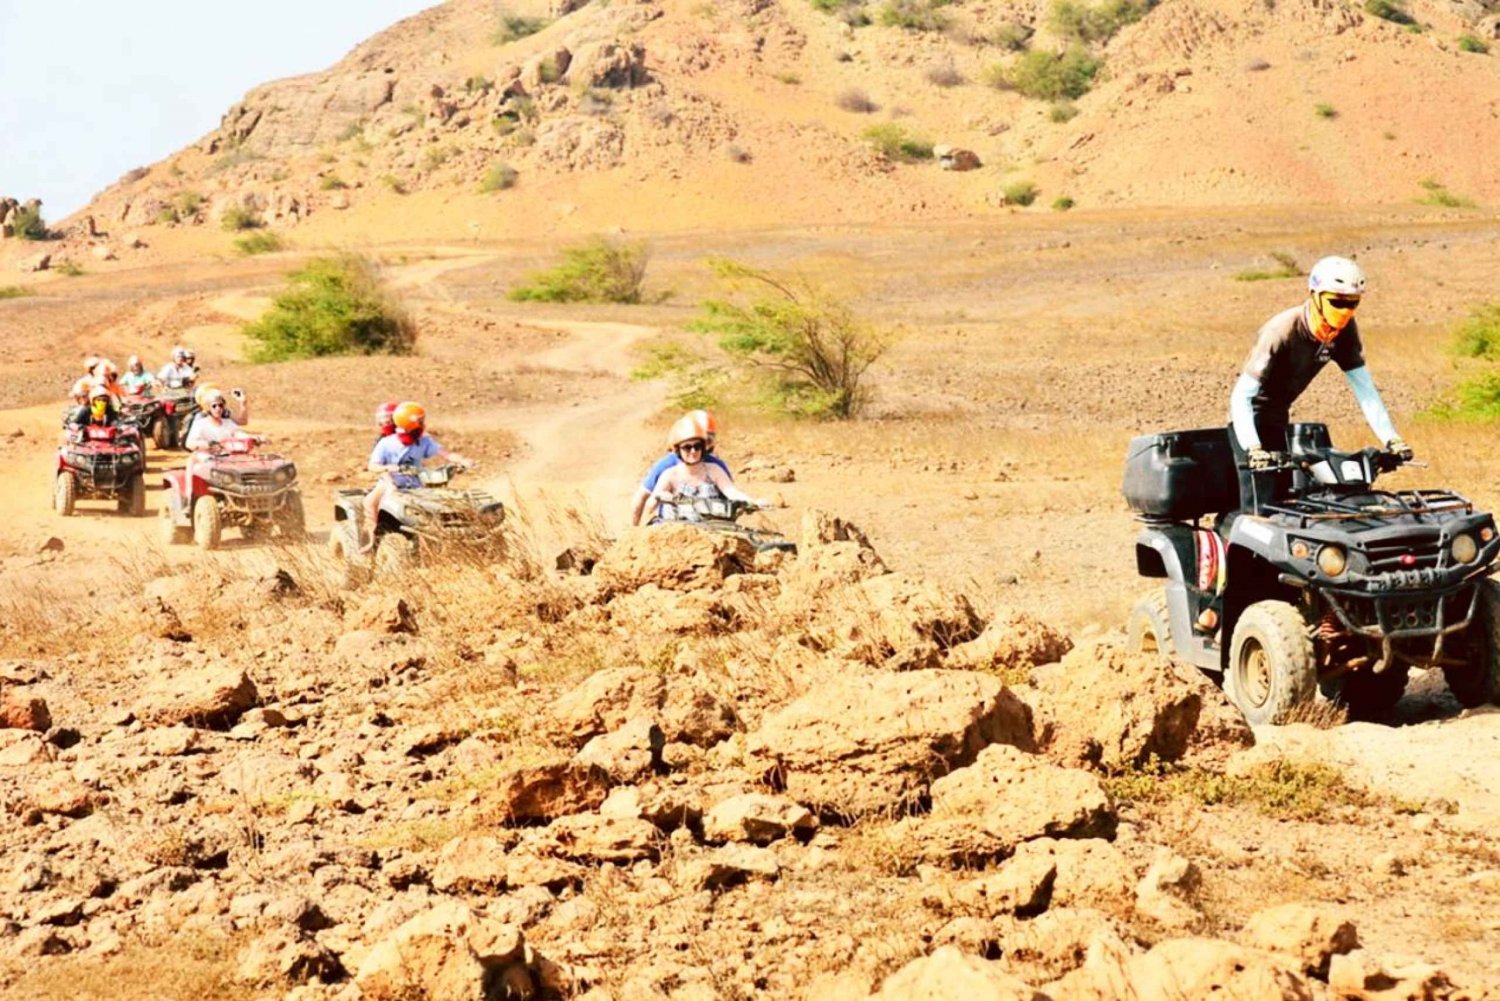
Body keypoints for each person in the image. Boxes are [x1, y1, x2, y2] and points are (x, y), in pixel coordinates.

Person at [1228, 255, 1409, 508]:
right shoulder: (1282, 330)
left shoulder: (1344, 331)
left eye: (1353, 304)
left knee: (1292, 504)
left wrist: (1392, 439)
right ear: (1315, 295)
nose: (1345, 312)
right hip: (1251, 421)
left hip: (1279, 415)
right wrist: (1253, 447)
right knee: (1262, 506)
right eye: (1336, 302)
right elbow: (1241, 396)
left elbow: (1366, 390)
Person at [362, 401, 470, 552]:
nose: (423, 424)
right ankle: (373, 542)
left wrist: (462, 460)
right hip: (389, 483)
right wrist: (388, 471)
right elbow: (373, 466)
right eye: (420, 421)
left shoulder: (423, 441)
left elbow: (444, 453)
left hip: (415, 485)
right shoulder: (386, 443)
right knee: (370, 502)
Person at [643, 415, 766, 524]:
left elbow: (732, 492)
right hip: (676, 532)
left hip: (712, 531)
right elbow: (650, 507)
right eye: (687, 447)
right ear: (677, 450)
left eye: (697, 446)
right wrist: (661, 496)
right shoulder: (670, 475)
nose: (693, 451)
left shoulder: (714, 470)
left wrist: (753, 502)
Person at [630, 409, 734, 526]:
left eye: (700, 444)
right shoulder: (666, 466)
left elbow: (731, 496)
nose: (694, 451)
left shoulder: (716, 467)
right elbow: (643, 498)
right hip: (672, 524)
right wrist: (635, 531)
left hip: (710, 525)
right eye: (687, 447)